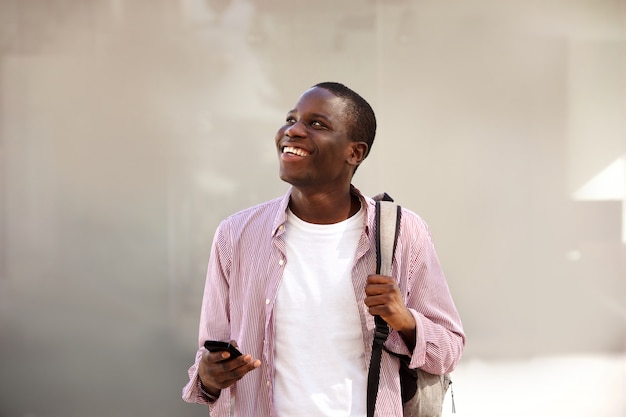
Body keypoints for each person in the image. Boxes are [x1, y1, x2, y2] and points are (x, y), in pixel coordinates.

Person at [182, 82, 465, 417]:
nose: (293, 131)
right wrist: (209, 375)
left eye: (316, 124)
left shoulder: (403, 234)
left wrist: (405, 321)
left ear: (354, 152)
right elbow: (208, 360)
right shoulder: (236, 235)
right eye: (291, 119)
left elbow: (449, 349)